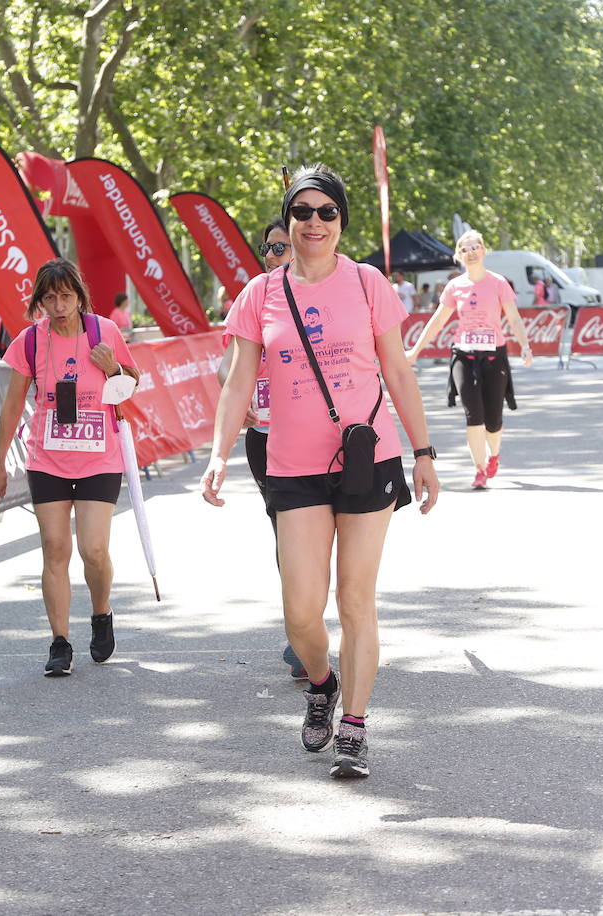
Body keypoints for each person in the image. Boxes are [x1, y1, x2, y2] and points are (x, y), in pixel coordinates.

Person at [202, 164, 439, 780]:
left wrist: (424, 453)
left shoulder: (367, 284)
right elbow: (235, 383)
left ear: (341, 221)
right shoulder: (260, 294)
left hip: (369, 457)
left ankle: (354, 730)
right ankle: (321, 681)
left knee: (356, 599)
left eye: (326, 212)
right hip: (293, 466)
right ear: (288, 220)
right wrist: (217, 455)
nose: (313, 222)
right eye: (302, 212)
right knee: (301, 613)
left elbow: (399, 373)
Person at [0, 258, 140, 677]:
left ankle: (101, 611)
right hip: (47, 458)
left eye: (66, 296)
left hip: (98, 457)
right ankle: (59, 642)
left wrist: (113, 368)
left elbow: (132, 382)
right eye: (49, 298)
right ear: (40, 301)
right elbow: (13, 403)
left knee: (93, 549)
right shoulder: (30, 342)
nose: (58, 306)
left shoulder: (103, 331)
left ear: (79, 295)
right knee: (55, 548)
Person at [218, 217, 304, 679]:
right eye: (268, 248)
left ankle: (313, 620)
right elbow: (223, 369)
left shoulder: (324, 292)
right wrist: (241, 401)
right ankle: (300, 635)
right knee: (285, 535)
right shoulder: (255, 294)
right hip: (266, 438)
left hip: (320, 437)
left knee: (319, 538)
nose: (273, 255)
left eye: (282, 247)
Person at [407, 230, 534, 489]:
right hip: (463, 355)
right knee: (473, 414)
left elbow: (513, 317)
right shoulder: (455, 287)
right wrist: (415, 351)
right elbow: (438, 320)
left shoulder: (498, 283)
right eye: (465, 248)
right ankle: (479, 468)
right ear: (458, 256)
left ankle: (494, 454)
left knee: (494, 419)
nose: (471, 251)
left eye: (476, 247)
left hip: (493, 356)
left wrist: (525, 346)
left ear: (484, 251)